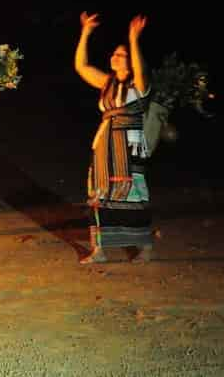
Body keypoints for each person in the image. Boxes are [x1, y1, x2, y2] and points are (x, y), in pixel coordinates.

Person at [75, 13, 152, 264]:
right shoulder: (106, 82)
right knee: (100, 195)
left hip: (129, 145)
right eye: (114, 54)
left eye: (120, 55)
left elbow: (140, 68)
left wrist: (133, 39)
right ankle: (99, 250)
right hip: (104, 146)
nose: (113, 57)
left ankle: (145, 247)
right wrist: (85, 32)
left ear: (130, 61)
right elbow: (81, 66)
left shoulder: (138, 84)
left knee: (134, 195)